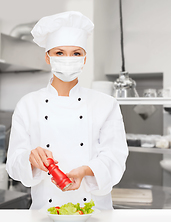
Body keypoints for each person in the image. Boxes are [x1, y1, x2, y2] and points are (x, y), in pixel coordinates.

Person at [6, 11, 128, 210]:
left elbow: (115, 158)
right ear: (48, 57)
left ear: (84, 59)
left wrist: (86, 171)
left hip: (94, 213)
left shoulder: (106, 104)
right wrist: (30, 159)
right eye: (59, 53)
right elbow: (13, 165)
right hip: (45, 212)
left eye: (76, 53)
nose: (68, 59)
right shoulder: (28, 105)